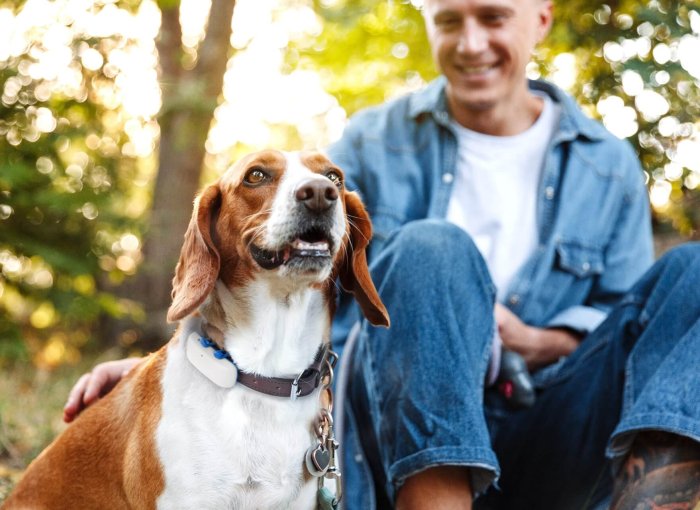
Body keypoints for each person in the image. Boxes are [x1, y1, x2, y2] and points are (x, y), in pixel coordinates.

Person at [64, 0, 700, 508]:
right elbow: (290, 282)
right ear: (428, 23)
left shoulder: (609, 165)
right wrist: (178, 371)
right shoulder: (373, 139)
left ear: (540, 19)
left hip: (553, 422)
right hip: (392, 436)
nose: (471, 42)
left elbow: (635, 328)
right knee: (432, 249)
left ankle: (656, 502)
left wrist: (523, 338)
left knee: (693, 272)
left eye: (493, 17)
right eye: (449, 21)